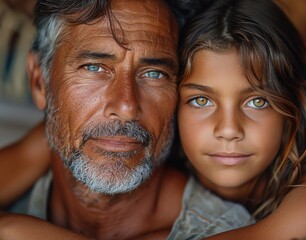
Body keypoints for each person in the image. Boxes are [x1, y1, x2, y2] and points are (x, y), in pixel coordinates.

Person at [0, 0, 253, 239]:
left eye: (154, 73)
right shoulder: (21, 188)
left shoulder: (224, 230)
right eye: (94, 67)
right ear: (39, 83)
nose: (126, 107)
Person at [175, 0, 306, 239]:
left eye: (257, 102)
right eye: (201, 100)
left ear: (293, 108)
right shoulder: (150, 190)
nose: (229, 130)